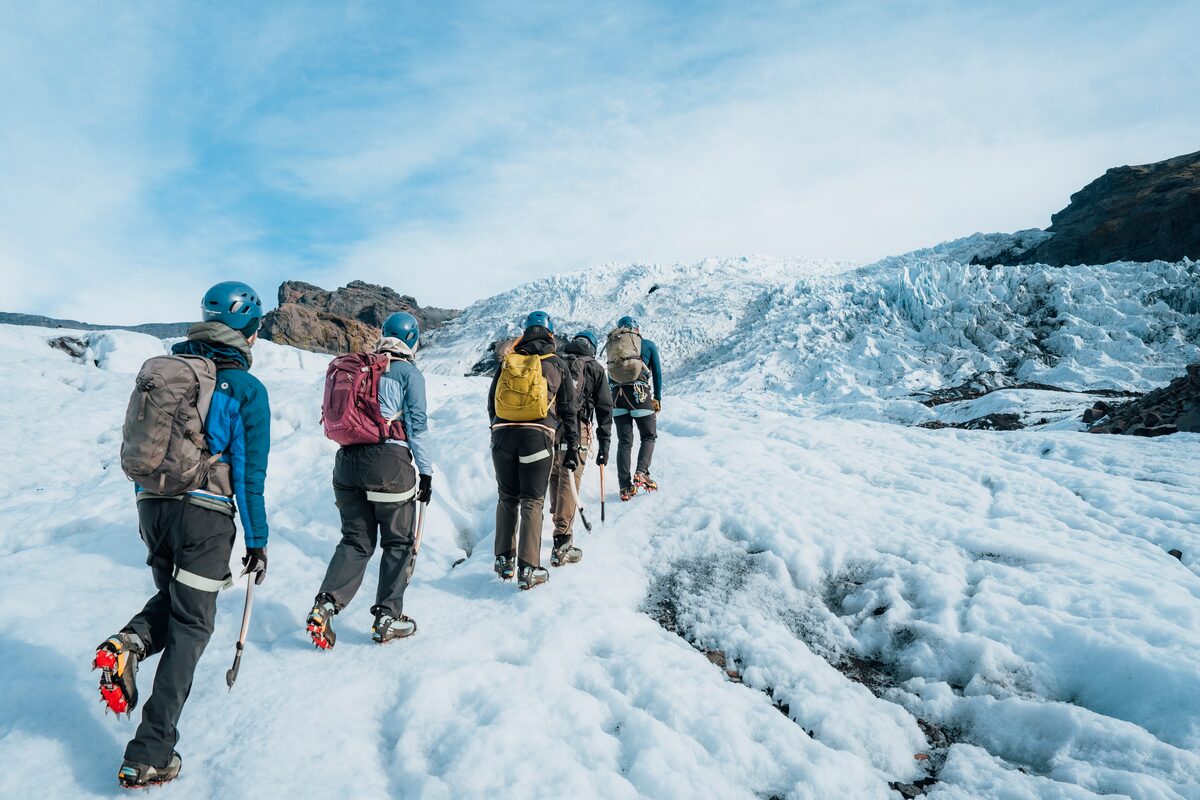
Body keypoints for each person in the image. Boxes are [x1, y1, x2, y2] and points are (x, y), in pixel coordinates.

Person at [94, 281, 270, 789]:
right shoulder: (245, 389)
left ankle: (130, 640)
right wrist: (257, 542)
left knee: (174, 602)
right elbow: (249, 476)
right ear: (247, 330)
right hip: (206, 517)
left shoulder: (176, 371)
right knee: (193, 626)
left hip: (152, 507)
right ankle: (151, 752)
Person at [306, 311, 434, 648]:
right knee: (398, 542)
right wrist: (427, 472)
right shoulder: (409, 373)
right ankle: (387, 618)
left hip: (346, 464)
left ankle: (325, 605)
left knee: (355, 541)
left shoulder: (361, 368)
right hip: (388, 464)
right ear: (412, 340)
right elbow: (417, 427)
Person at [488, 311, 578, 589]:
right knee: (532, 501)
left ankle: (504, 561)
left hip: (502, 436)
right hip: (537, 437)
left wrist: (497, 430)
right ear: (550, 334)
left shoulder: (508, 362)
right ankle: (528, 569)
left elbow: (491, 403)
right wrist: (571, 446)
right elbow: (569, 409)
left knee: (507, 498)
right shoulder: (556, 364)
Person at [547, 330, 613, 565]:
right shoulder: (595, 367)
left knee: (556, 472)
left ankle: (558, 519)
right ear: (592, 348)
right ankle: (563, 538)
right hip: (578, 426)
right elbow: (605, 408)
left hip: (552, 426)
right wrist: (604, 442)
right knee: (570, 477)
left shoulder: (558, 361)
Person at [606, 315, 662, 501]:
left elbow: (610, 376)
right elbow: (657, 373)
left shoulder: (614, 346)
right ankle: (641, 472)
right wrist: (657, 398)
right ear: (636, 329)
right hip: (640, 394)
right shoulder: (647, 345)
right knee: (648, 435)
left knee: (624, 441)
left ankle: (624, 487)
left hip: (617, 397)